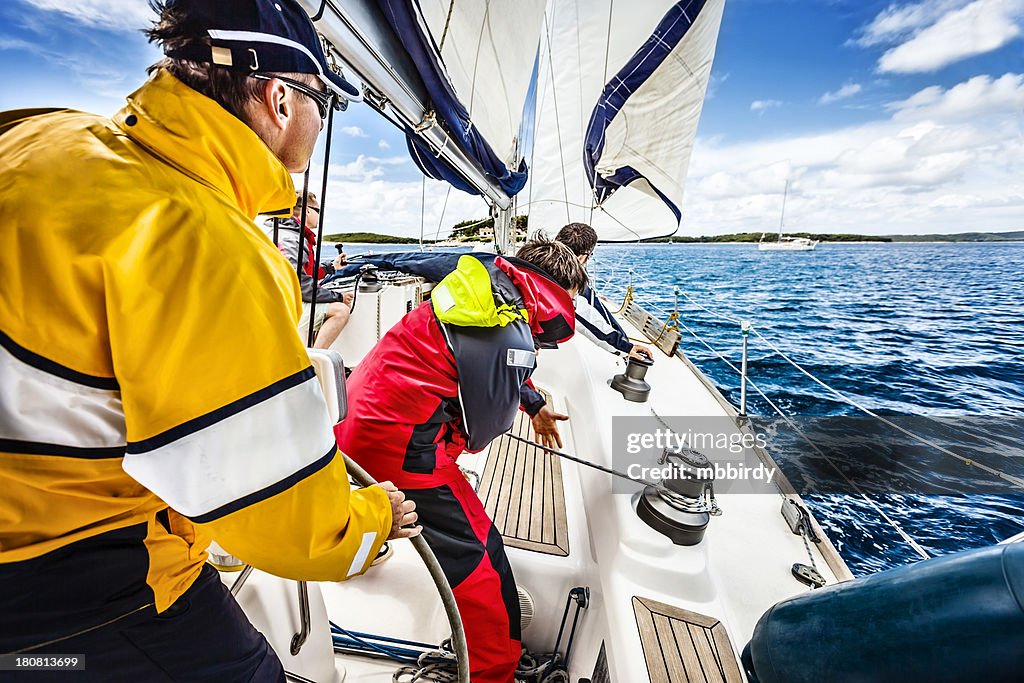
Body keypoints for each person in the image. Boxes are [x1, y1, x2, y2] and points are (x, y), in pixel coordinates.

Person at [0, 1, 420, 680]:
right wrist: (372, 518)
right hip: (66, 584)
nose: (321, 123)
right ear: (280, 100)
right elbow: (290, 527)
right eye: (325, 104)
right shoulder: (206, 240)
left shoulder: (39, 137)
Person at [335, 240, 587, 683]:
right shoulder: (508, 332)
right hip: (399, 448)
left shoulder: (480, 290)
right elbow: (481, 434)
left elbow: (478, 366)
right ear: (558, 291)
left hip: (357, 421)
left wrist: (531, 402)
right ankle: (493, 672)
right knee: (481, 556)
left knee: (465, 530)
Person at [555, 222, 654, 363]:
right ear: (582, 257)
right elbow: (583, 317)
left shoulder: (528, 259)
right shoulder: (564, 282)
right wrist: (625, 347)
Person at [269, 190, 353, 348]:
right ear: (307, 210)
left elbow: (305, 272)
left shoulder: (295, 235)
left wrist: (331, 267)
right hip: (283, 310)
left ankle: (309, 352)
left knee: (328, 305)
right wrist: (338, 297)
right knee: (340, 310)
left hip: (287, 303)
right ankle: (315, 361)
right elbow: (298, 284)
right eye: (318, 211)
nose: (320, 215)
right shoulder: (291, 239)